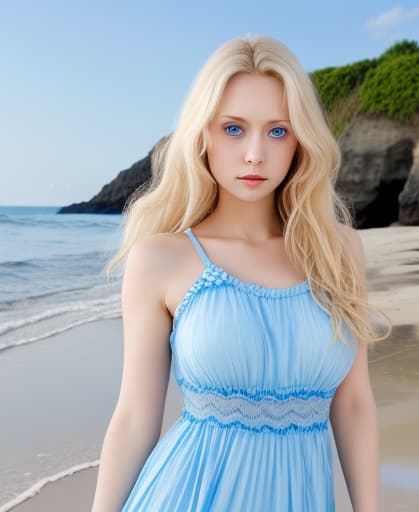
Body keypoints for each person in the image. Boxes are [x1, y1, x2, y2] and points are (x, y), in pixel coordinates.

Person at [92, 34, 392, 512]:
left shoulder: (338, 251)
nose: (255, 154)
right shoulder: (161, 259)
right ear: (202, 135)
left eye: (278, 131)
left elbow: (353, 404)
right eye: (234, 129)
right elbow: (134, 419)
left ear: (300, 141)